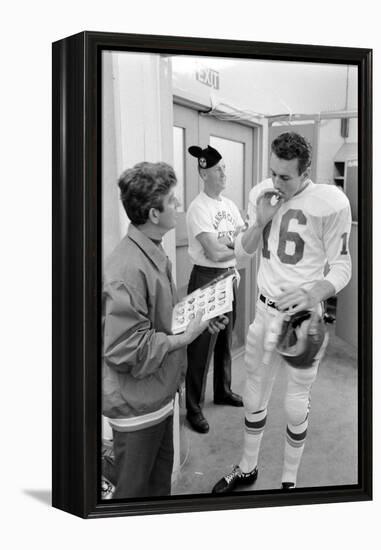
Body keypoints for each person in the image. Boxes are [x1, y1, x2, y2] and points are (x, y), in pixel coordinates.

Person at [212, 131, 352, 492]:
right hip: (264, 311)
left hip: (302, 318)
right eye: (272, 172)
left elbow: (342, 267)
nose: (276, 181)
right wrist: (259, 221)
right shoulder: (262, 192)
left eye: (285, 176)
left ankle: (289, 479)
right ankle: (247, 467)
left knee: (295, 403)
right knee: (254, 394)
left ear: (306, 171)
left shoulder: (330, 202)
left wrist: (312, 293)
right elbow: (241, 255)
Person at [102, 161, 228, 499]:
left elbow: (159, 317)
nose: (179, 206)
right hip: (136, 407)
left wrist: (197, 319)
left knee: (157, 490)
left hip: (157, 395)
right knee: (132, 495)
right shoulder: (126, 269)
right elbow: (125, 348)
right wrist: (185, 338)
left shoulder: (153, 251)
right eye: (173, 201)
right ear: (154, 214)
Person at [185, 145, 244, 434]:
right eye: (218, 169)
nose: (223, 173)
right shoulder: (198, 208)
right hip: (207, 279)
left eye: (224, 168)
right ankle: (193, 408)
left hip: (228, 278)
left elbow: (242, 242)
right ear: (203, 172)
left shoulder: (229, 206)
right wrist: (235, 248)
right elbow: (213, 252)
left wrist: (231, 249)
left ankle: (223, 390)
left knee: (225, 341)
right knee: (200, 348)